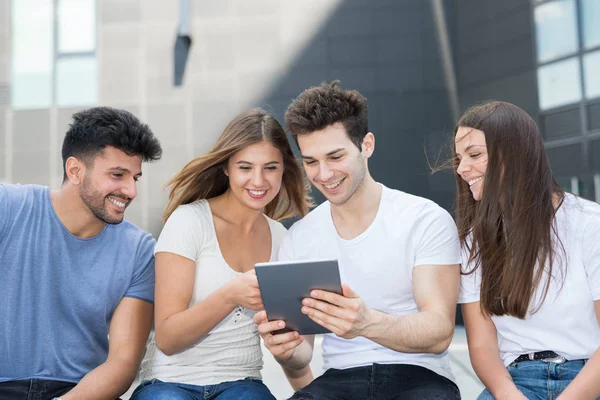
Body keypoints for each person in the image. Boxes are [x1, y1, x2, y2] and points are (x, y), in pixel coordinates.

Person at [254, 81, 462, 400]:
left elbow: (439, 332)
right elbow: (302, 354)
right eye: (311, 161)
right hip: (338, 381)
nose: (323, 174)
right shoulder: (300, 237)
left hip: (420, 378)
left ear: (366, 145)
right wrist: (283, 349)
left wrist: (366, 323)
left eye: (335, 156)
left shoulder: (424, 219)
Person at [130, 108, 313, 400]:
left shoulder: (283, 239)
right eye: (245, 167)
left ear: (284, 169)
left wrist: (299, 365)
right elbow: (167, 338)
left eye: (270, 167)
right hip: (169, 383)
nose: (258, 180)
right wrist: (231, 295)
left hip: (241, 383)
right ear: (226, 168)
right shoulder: (189, 221)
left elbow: (296, 355)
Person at [0, 107, 163, 400]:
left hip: (81, 392)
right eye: (117, 174)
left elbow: (123, 363)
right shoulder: (7, 207)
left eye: (135, 178)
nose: (130, 190)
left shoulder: (139, 250)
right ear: (75, 171)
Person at [454, 101, 600, 400]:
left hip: (589, 377)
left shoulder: (589, 224)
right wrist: (509, 395)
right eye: (459, 158)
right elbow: (482, 346)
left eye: (475, 155)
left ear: (514, 154)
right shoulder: (474, 241)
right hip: (515, 381)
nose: (461, 168)